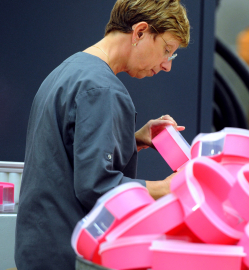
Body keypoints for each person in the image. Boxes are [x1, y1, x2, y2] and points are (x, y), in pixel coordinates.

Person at [14, 0, 190, 269]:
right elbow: (96, 188)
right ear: (140, 32)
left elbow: (68, 153)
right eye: (167, 50)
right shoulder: (103, 89)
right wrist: (167, 188)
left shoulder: (68, 71)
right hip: (68, 255)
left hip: (38, 248)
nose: (166, 65)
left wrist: (133, 139)